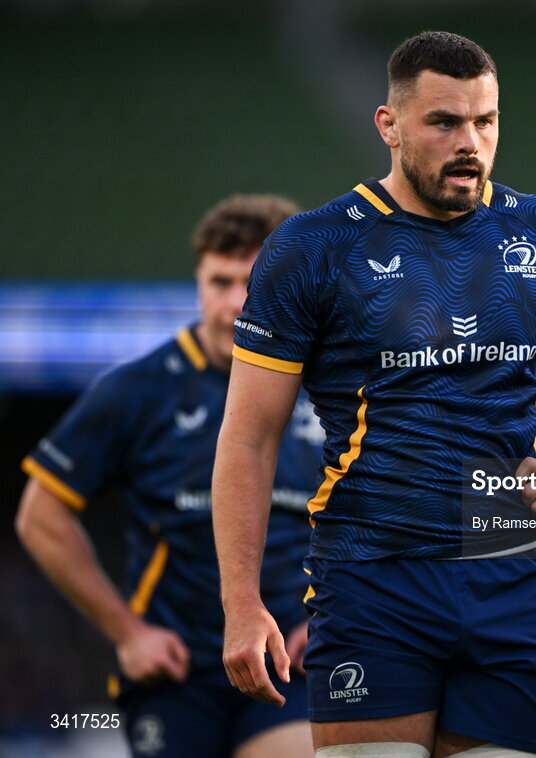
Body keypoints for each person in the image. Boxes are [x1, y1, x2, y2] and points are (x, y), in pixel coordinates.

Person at [213, 31, 536, 758]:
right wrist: (241, 604)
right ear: (388, 125)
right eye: (444, 122)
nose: (470, 142)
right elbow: (248, 437)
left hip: (507, 576)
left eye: (484, 122)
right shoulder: (313, 248)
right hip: (372, 581)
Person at [15, 195, 320, 758]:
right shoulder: (137, 389)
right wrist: (127, 633)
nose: (234, 305)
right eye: (218, 282)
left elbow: (378, 508)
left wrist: (334, 616)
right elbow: (40, 515)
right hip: (178, 677)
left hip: (292, 665)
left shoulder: (334, 386)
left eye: (253, 283)